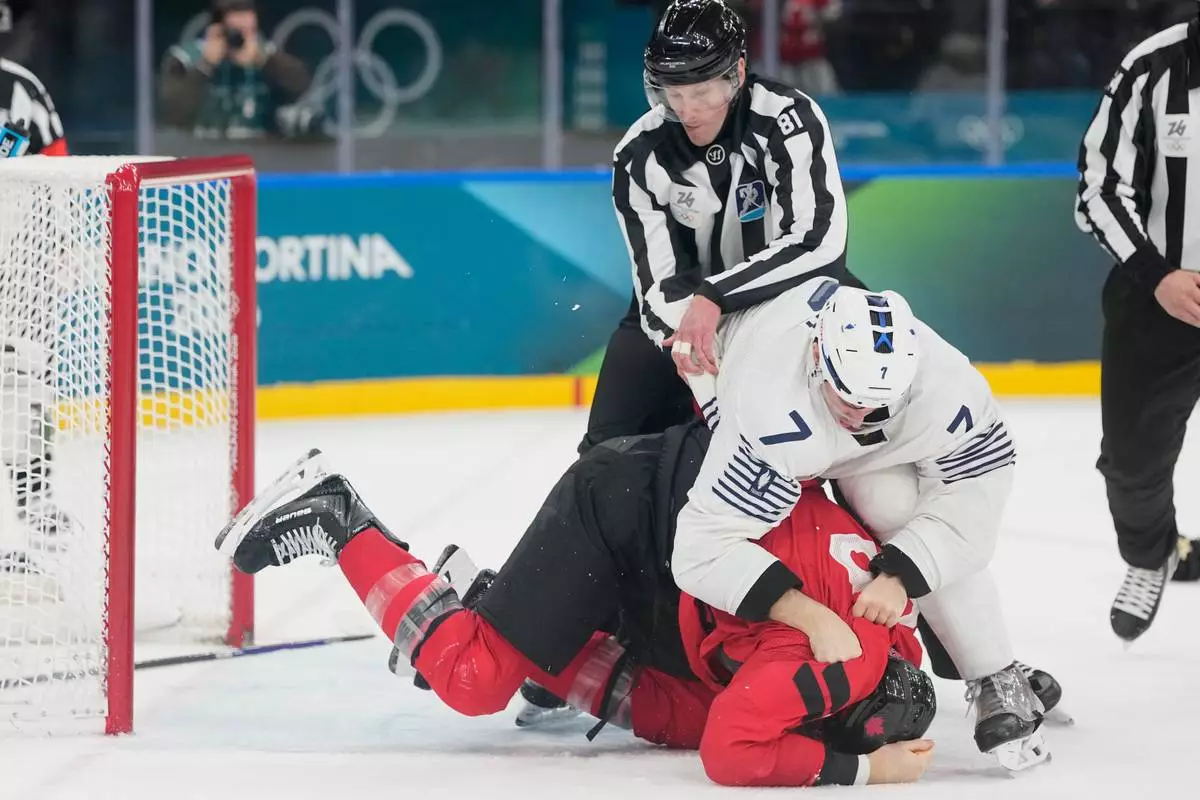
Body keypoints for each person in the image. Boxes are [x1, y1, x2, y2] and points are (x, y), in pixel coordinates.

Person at [215, 435, 937, 787]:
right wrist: (861, 774)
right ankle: (341, 520)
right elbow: (732, 754)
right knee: (471, 678)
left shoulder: (896, 611)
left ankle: (481, 610)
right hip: (625, 516)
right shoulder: (842, 664)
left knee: (675, 715)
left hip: (668, 538)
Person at [669, 277, 1059, 771]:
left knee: (890, 503)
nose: (861, 413)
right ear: (816, 357)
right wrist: (809, 615)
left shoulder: (946, 385)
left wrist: (900, 577)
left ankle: (993, 673)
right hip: (752, 391)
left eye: (879, 400)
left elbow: (978, 490)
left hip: (850, 441)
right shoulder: (766, 406)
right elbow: (701, 549)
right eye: (850, 396)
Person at [584, 0, 863, 454]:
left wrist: (716, 297)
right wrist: (700, 343)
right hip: (680, 316)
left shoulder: (786, 119)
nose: (688, 109)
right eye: (673, 94)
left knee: (863, 409)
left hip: (793, 293)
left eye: (701, 92)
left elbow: (818, 246)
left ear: (737, 71)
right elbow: (658, 288)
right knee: (605, 453)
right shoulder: (637, 155)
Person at [1074, 5, 1200, 644]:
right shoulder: (1154, 64)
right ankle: (1152, 554)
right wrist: (1157, 274)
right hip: (1159, 299)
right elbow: (1097, 186)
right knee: (1130, 463)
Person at [0, 56, 71, 592]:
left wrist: (52, 256)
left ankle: (35, 496)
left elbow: (62, 173)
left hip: (18, 267)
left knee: (25, 385)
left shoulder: (21, 86)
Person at [158, 0, 312, 139]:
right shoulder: (185, 60)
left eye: (247, 32)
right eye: (233, 32)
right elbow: (171, 115)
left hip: (261, 154)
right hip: (203, 152)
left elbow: (303, 88)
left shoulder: (268, 57)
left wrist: (264, 61)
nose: (238, 39)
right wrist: (205, 67)